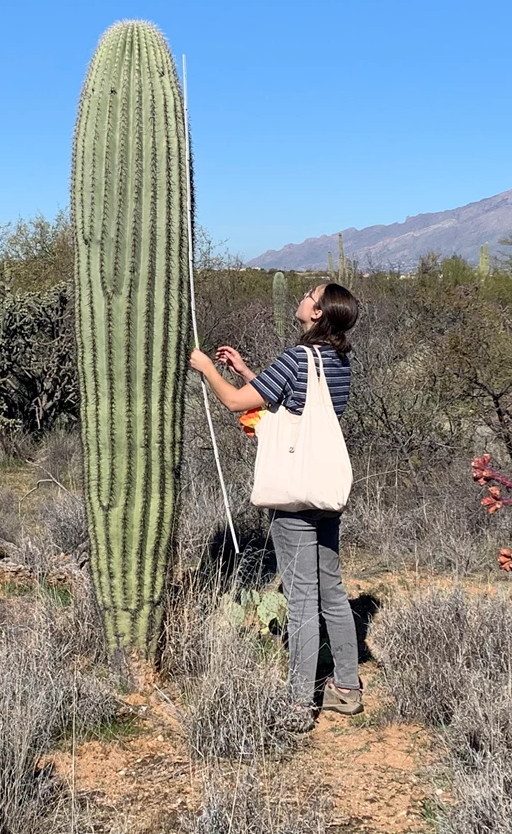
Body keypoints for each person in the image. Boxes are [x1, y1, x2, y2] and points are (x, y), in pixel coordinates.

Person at [188, 281, 362, 725]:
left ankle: (299, 706)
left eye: (310, 294)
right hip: (323, 490)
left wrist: (207, 368)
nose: (302, 297)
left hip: (293, 500)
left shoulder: (296, 358)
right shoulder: (338, 361)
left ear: (318, 313)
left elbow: (233, 404)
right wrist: (247, 370)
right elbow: (297, 406)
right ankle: (347, 687)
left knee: (301, 601)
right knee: (331, 591)